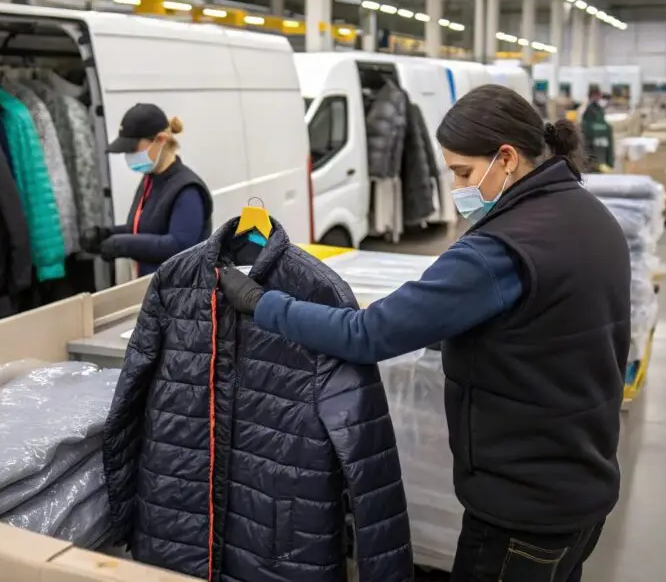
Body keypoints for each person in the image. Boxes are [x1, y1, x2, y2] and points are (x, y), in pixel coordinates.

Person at [218, 85, 631, 582]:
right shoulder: (591, 216)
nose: (456, 187)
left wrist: (263, 304)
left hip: (521, 511)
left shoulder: (500, 250)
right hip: (583, 487)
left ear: (506, 158)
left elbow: (367, 335)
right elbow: (548, 326)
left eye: (461, 172)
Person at [83, 103, 213, 277]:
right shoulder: (151, 179)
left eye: (133, 148)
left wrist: (120, 244)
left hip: (182, 294)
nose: (128, 156)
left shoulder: (187, 189)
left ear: (161, 140)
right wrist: (105, 234)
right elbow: (141, 228)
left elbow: (179, 245)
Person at [580, 89, 614, 171]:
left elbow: (601, 119)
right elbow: (586, 122)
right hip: (591, 136)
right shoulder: (588, 107)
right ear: (593, 96)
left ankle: (602, 164)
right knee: (592, 152)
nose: (599, 98)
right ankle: (593, 166)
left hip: (598, 135)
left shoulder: (598, 108)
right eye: (598, 96)